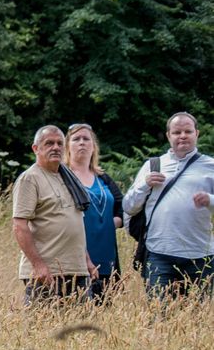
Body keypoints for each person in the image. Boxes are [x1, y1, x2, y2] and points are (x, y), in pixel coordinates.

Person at [122, 112, 214, 298]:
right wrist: (144, 184)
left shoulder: (210, 166)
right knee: (160, 317)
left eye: (188, 131)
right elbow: (128, 206)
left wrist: (210, 200)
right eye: (177, 132)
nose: (182, 136)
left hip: (201, 256)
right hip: (159, 253)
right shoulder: (153, 165)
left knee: (200, 318)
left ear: (197, 133)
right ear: (168, 136)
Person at [13, 126, 99, 304]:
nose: (56, 147)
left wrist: (87, 261)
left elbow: (75, 225)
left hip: (77, 270)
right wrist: (38, 266)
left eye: (60, 143)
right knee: (44, 329)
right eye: (49, 143)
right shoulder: (30, 178)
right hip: (47, 272)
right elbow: (20, 226)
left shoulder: (68, 178)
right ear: (36, 148)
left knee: (79, 329)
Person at [64, 123, 124, 302]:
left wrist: (111, 223)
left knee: (104, 314)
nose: (82, 143)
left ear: (93, 146)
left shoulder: (103, 177)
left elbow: (122, 207)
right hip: (76, 256)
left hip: (106, 256)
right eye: (76, 139)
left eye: (86, 139)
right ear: (68, 146)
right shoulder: (63, 177)